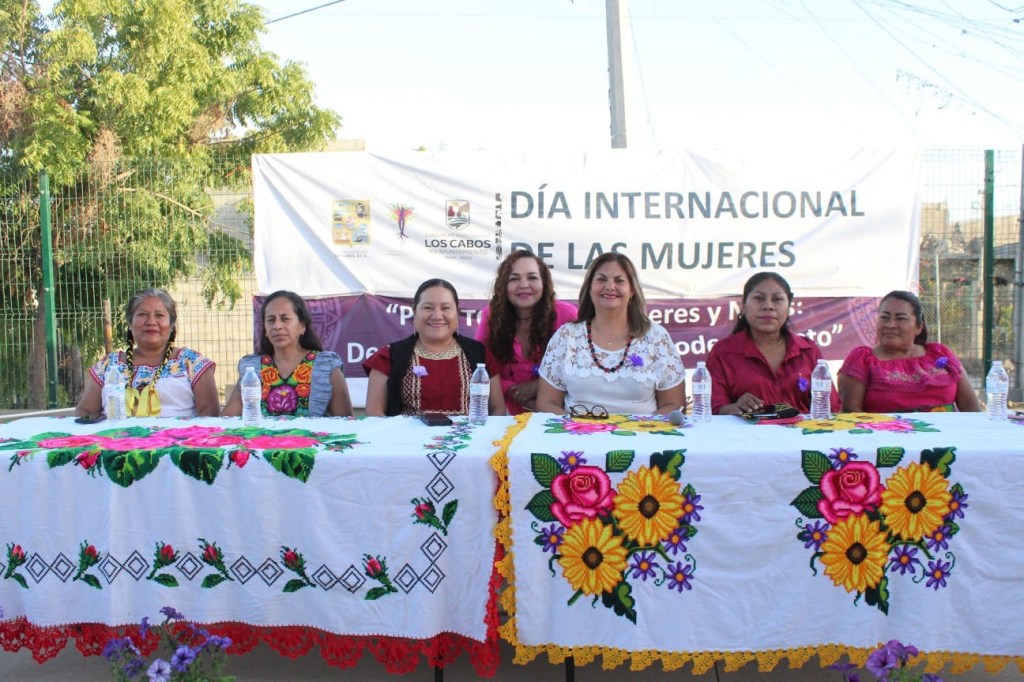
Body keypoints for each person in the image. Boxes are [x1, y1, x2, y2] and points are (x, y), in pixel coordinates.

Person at [535, 252, 685, 415]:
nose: (610, 286)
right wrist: (578, 430)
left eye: (619, 281)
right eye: (601, 279)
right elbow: (546, 403)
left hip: (640, 438)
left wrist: (643, 432)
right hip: (578, 437)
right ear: (589, 288)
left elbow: (674, 404)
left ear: (632, 290)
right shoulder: (567, 336)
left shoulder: (656, 337)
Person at [363, 279, 505, 417]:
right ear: (415, 312)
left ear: (456, 312)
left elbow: (497, 409)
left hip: (469, 439)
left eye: (445, 308)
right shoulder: (388, 356)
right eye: (428, 307)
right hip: (406, 440)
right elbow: (374, 413)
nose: (437, 316)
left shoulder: (479, 354)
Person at [706, 272, 839, 416]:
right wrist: (737, 408)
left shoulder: (808, 350)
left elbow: (831, 407)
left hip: (801, 435)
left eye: (777, 299)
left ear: (789, 306)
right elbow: (712, 409)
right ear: (744, 305)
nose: (768, 306)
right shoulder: (724, 352)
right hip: (745, 436)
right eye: (759, 298)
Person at [75, 288, 219, 418]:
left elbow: (209, 413)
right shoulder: (110, 365)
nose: (151, 322)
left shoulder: (192, 362)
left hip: (177, 444)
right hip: (115, 443)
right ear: (130, 324)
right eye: (142, 315)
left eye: (159, 315)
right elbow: (86, 410)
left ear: (172, 325)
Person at [838, 290, 981, 413]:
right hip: (887, 441)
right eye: (884, 317)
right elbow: (851, 413)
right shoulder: (862, 359)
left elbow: (970, 406)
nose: (890, 325)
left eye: (901, 318)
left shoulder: (940, 353)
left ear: (918, 327)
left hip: (946, 439)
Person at [475, 251, 577, 414]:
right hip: (503, 409)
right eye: (514, 279)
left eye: (532, 277)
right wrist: (513, 390)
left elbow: (583, 368)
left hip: (556, 410)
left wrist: (539, 386)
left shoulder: (567, 315)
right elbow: (479, 367)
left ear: (544, 283)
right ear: (503, 286)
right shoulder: (491, 316)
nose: (524, 285)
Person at [223, 290, 353, 417]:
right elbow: (228, 418)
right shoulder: (252, 368)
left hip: (313, 439)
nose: (277, 326)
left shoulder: (327, 366)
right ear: (265, 330)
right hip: (262, 438)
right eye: (271, 320)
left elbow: (345, 423)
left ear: (302, 326)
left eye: (285, 319)